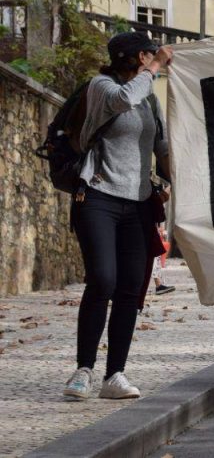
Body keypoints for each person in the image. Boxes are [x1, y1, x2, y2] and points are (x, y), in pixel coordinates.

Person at [62, 31, 173, 401]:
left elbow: (161, 147)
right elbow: (125, 100)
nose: (154, 59)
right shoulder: (101, 86)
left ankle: (115, 376)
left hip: (138, 203)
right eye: (149, 54)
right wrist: (157, 68)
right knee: (103, 280)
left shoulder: (150, 99)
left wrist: (175, 180)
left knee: (130, 288)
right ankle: (83, 371)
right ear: (137, 58)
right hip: (97, 196)